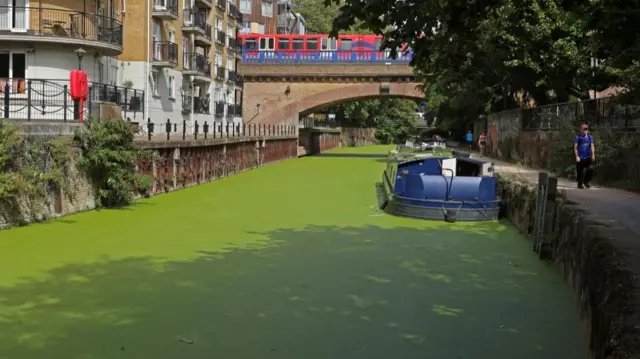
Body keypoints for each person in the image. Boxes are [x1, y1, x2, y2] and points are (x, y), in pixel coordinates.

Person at [574, 124, 596, 189]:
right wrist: (577, 156)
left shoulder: (590, 137)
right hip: (580, 158)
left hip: (588, 157)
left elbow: (592, 146)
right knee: (579, 172)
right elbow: (575, 148)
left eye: (586, 129)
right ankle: (579, 184)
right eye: (584, 129)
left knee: (591, 169)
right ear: (581, 130)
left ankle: (586, 181)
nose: (585, 130)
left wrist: (593, 155)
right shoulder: (578, 137)